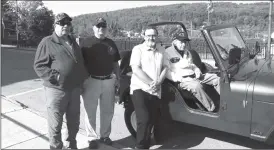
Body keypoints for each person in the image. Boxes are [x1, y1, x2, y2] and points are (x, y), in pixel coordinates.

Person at [33, 13, 89, 149]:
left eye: (68, 23)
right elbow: (39, 66)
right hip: (56, 90)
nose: (65, 26)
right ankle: (56, 147)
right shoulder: (47, 42)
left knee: (74, 122)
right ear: (55, 25)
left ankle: (71, 145)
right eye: (62, 23)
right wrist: (56, 77)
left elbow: (79, 62)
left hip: (74, 89)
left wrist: (81, 80)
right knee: (55, 124)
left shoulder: (73, 41)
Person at [81, 17, 120, 149]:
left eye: (103, 26)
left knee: (108, 110)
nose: (101, 29)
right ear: (94, 28)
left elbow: (116, 63)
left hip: (109, 80)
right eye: (98, 26)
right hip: (91, 80)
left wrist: (118, 79)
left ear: (106, 28)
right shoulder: (86, 43)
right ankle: (91, 138)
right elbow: (80, 63)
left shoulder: (111, 43)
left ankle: (105, 135)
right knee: (90, 111)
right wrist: (82, 80)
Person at [130, 26, 168, 149]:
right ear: (144, 36)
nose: (151, 38)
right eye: (148, 35)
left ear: (157, 36)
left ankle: (146, 144)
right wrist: (152, 82)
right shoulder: (138, 49)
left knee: (152, 119)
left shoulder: (162, 50)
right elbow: (135, 69)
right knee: (144, 119)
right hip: (140, 88)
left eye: (153, 35)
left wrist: (159, 82)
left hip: (156, 90)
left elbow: (165, 67)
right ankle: (140, 146)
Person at [164, 31, 220, 112]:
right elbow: (167, 71)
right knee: (197, 86)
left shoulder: (187, 52)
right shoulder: (167, 52)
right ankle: (212, 109)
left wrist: (197, 70)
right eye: (181, 42)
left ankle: (225, 101)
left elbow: (192, 65)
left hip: (194, 76)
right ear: (175, 42)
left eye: (185, 42)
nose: (183, 44)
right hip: (182, 80)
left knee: (216, 78)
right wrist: (179, 79)